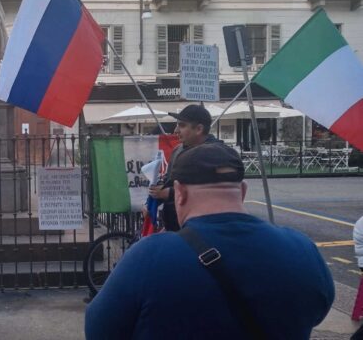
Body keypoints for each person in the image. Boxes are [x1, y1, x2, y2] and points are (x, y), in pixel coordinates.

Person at [85, 143, 334, 339]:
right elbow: (317, 312)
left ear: (179, 193)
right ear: (243, 191)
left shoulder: (148, 256)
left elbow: (98, 330)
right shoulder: (303, 250)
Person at [147, 104, 221, 231]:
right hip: (173, 224)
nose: (176, 130)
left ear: (198, 129)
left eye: (181, 125)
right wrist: (153, 201)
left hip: (198, 230)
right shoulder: (178, 149)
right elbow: (169, 180)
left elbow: (207, 191)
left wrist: (168, 193)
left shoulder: (215, 154)